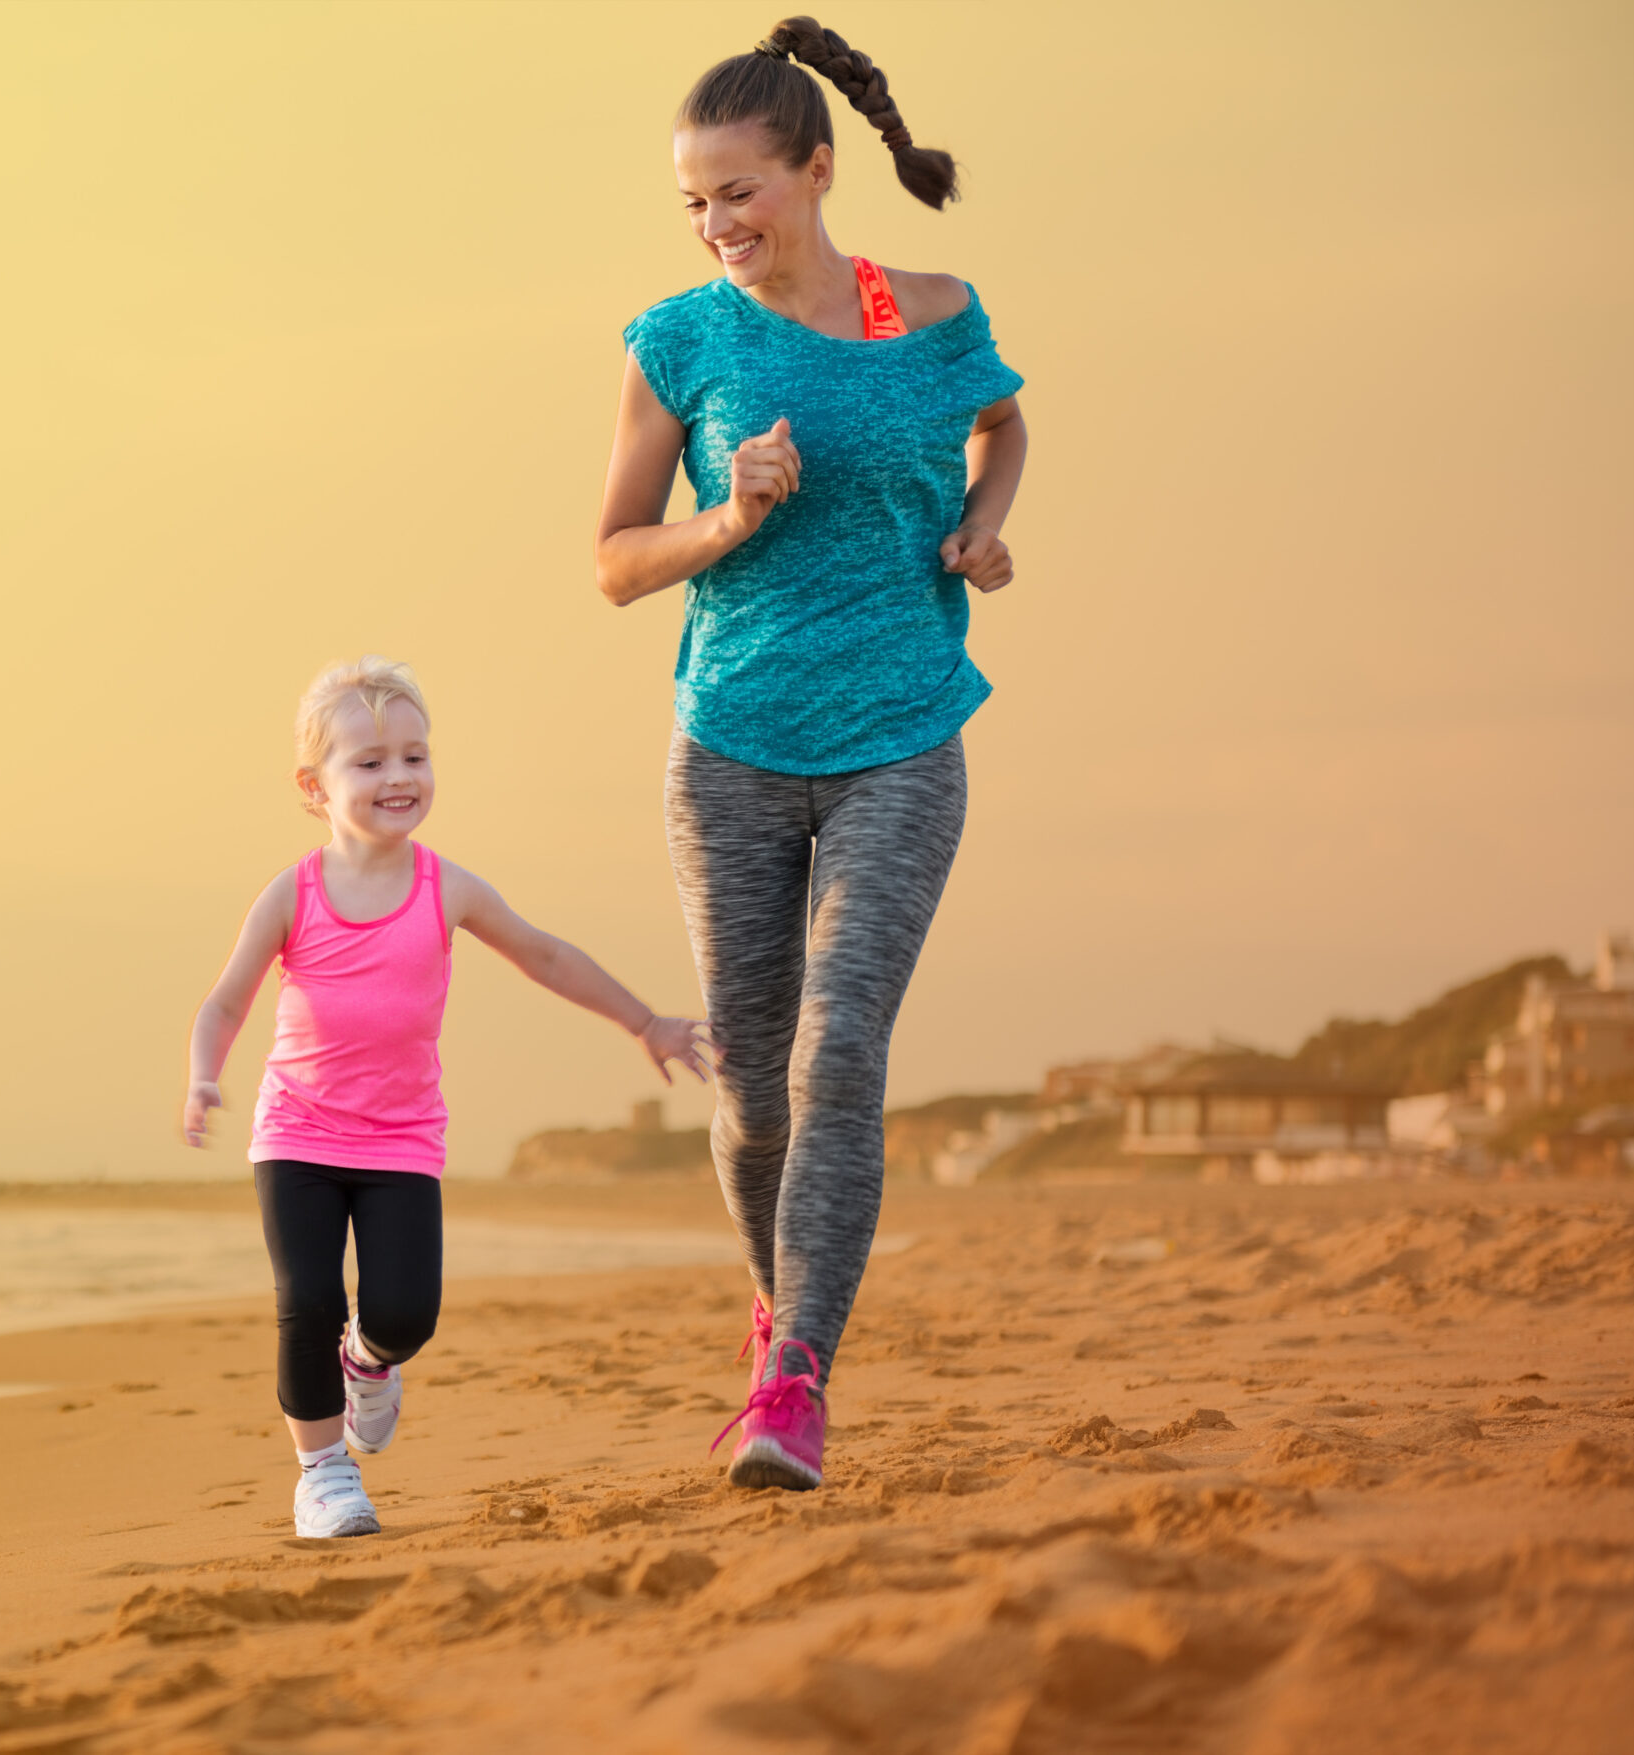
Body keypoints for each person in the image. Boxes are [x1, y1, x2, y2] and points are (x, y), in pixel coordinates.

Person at [592, 17, 1029, 1492]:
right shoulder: (682, 342)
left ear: (819, 169)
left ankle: (794, 1380)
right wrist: (731, 516)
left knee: (842, 1042)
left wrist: (980, 525)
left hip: (905, 736)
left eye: (740, 192)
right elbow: (611, 561)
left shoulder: (932, 310)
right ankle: (778, 1293)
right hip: (729, 748)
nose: (718, 225)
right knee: (755, 1091)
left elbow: (1007, 426)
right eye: (694, 203)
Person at [183, 656, 713, 1538]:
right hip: (298, 1132)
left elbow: (543, 953)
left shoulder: (447, 886)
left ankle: (370, 1361)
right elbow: (227, 998)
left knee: (402, 1314)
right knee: (306, 1296)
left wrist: (644, 1021)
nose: (399, 777)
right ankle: (323, 1474)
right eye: (371, 762)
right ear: (315, 787)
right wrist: (206, 1070)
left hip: (399, 1140)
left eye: (414, 756)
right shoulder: (293, 893)